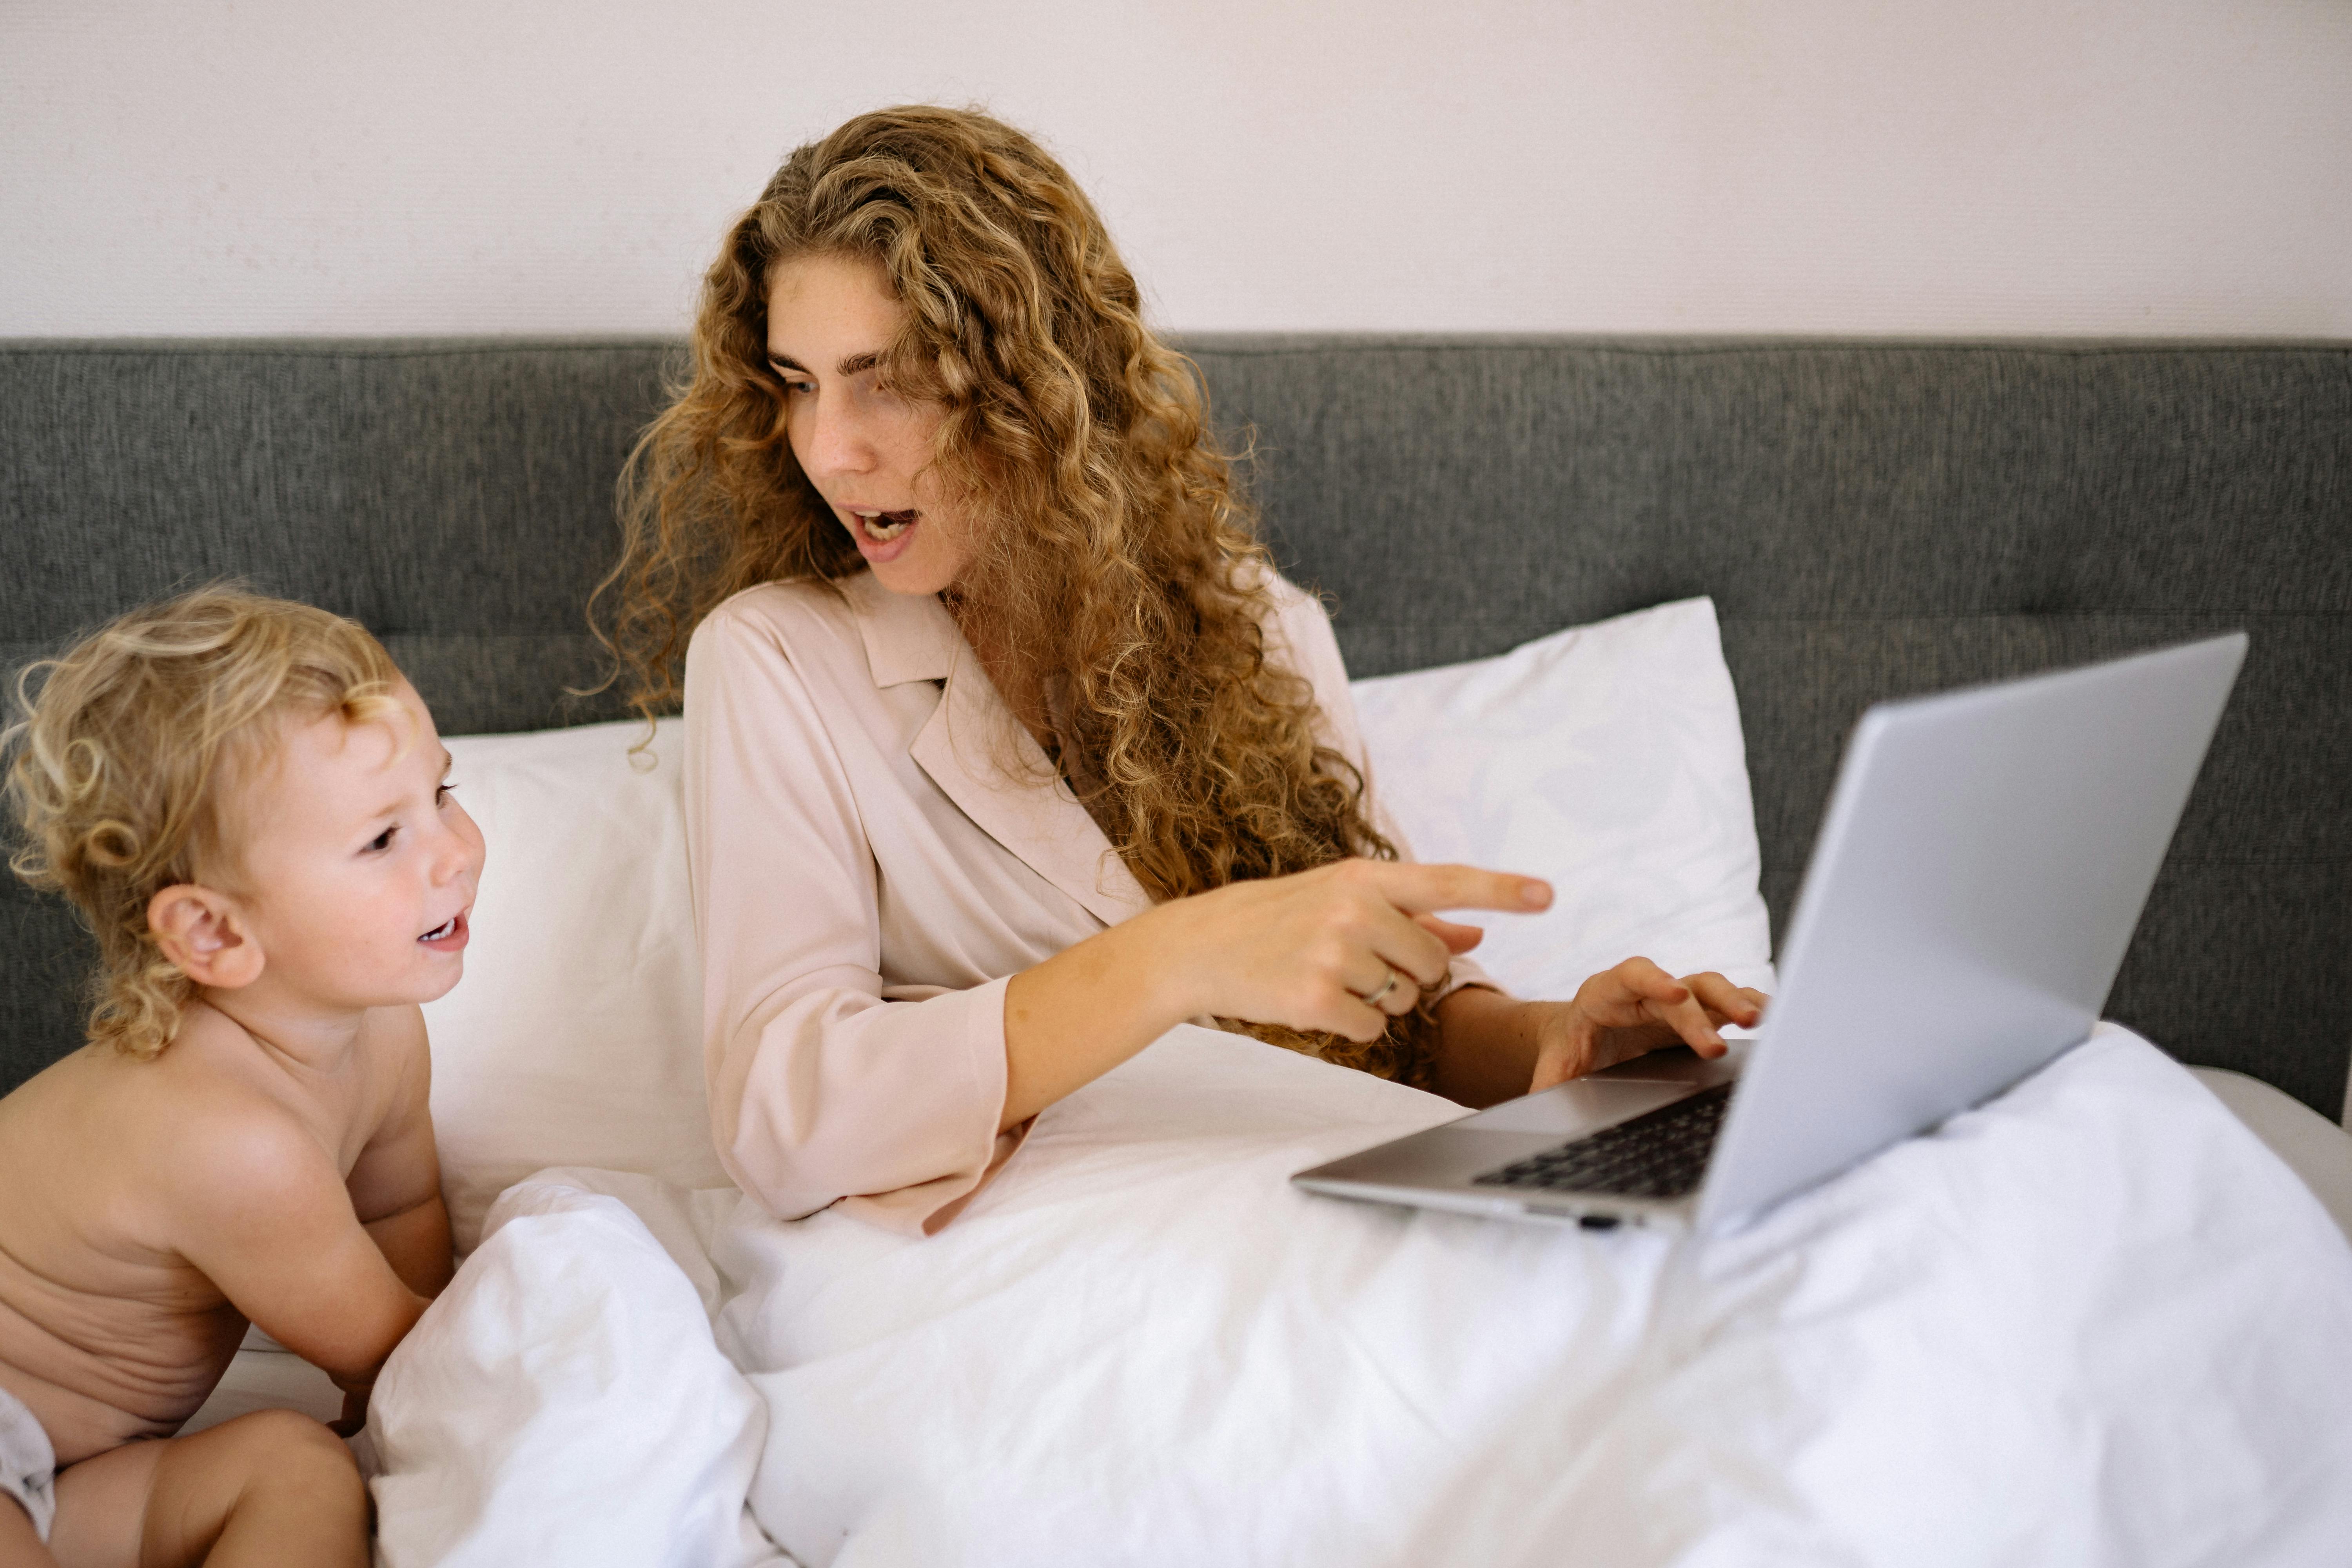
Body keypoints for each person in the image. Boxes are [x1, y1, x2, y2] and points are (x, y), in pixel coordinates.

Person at [597, 105, 1765, 1236]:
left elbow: (1401, 1018)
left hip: (1318, 1198)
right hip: (1058, 1263)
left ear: (1037, 386)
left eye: (887, 378)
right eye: (798, 383)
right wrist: (1174, 959)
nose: (830, 450)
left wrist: (1561, 1046)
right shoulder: (777, 661)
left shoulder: (1254, 623)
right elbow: (779, 1118)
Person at [0, 586, 477, 1568]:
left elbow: (404, 1218)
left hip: (72, 1471)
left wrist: (391, 1435)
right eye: (384, 838)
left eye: (441, 791)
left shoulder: (386, 1032)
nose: (454, 852)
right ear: (214, 931)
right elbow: (391, 1345)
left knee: (300, 1467)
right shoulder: (228, 1139)